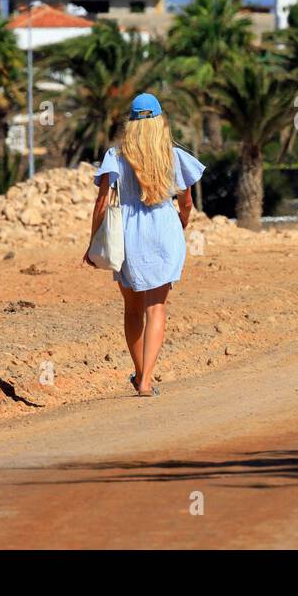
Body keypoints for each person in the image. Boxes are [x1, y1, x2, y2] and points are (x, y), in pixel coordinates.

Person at [83, 93, 205, 397]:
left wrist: (93, 243)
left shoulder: (116, 156)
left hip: (130, 234)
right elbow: (187, 202)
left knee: (133, 308)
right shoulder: (174, 156)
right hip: (165, 230)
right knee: (157, 307)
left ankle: (140, 375)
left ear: (131, 124)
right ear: (160, 121)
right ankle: (147, 380)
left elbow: (101, 205)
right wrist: (183, 221)